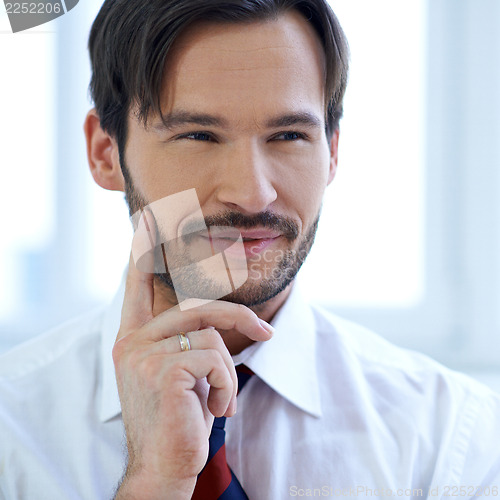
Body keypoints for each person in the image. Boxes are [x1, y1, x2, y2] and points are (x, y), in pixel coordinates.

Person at [1, 0, 500, 499]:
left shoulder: (453, 439)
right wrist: (154, 484)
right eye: (198, 135)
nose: (252, 193)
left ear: (332, 153)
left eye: (288, 136)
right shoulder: (12, 430)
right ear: (105, 154)